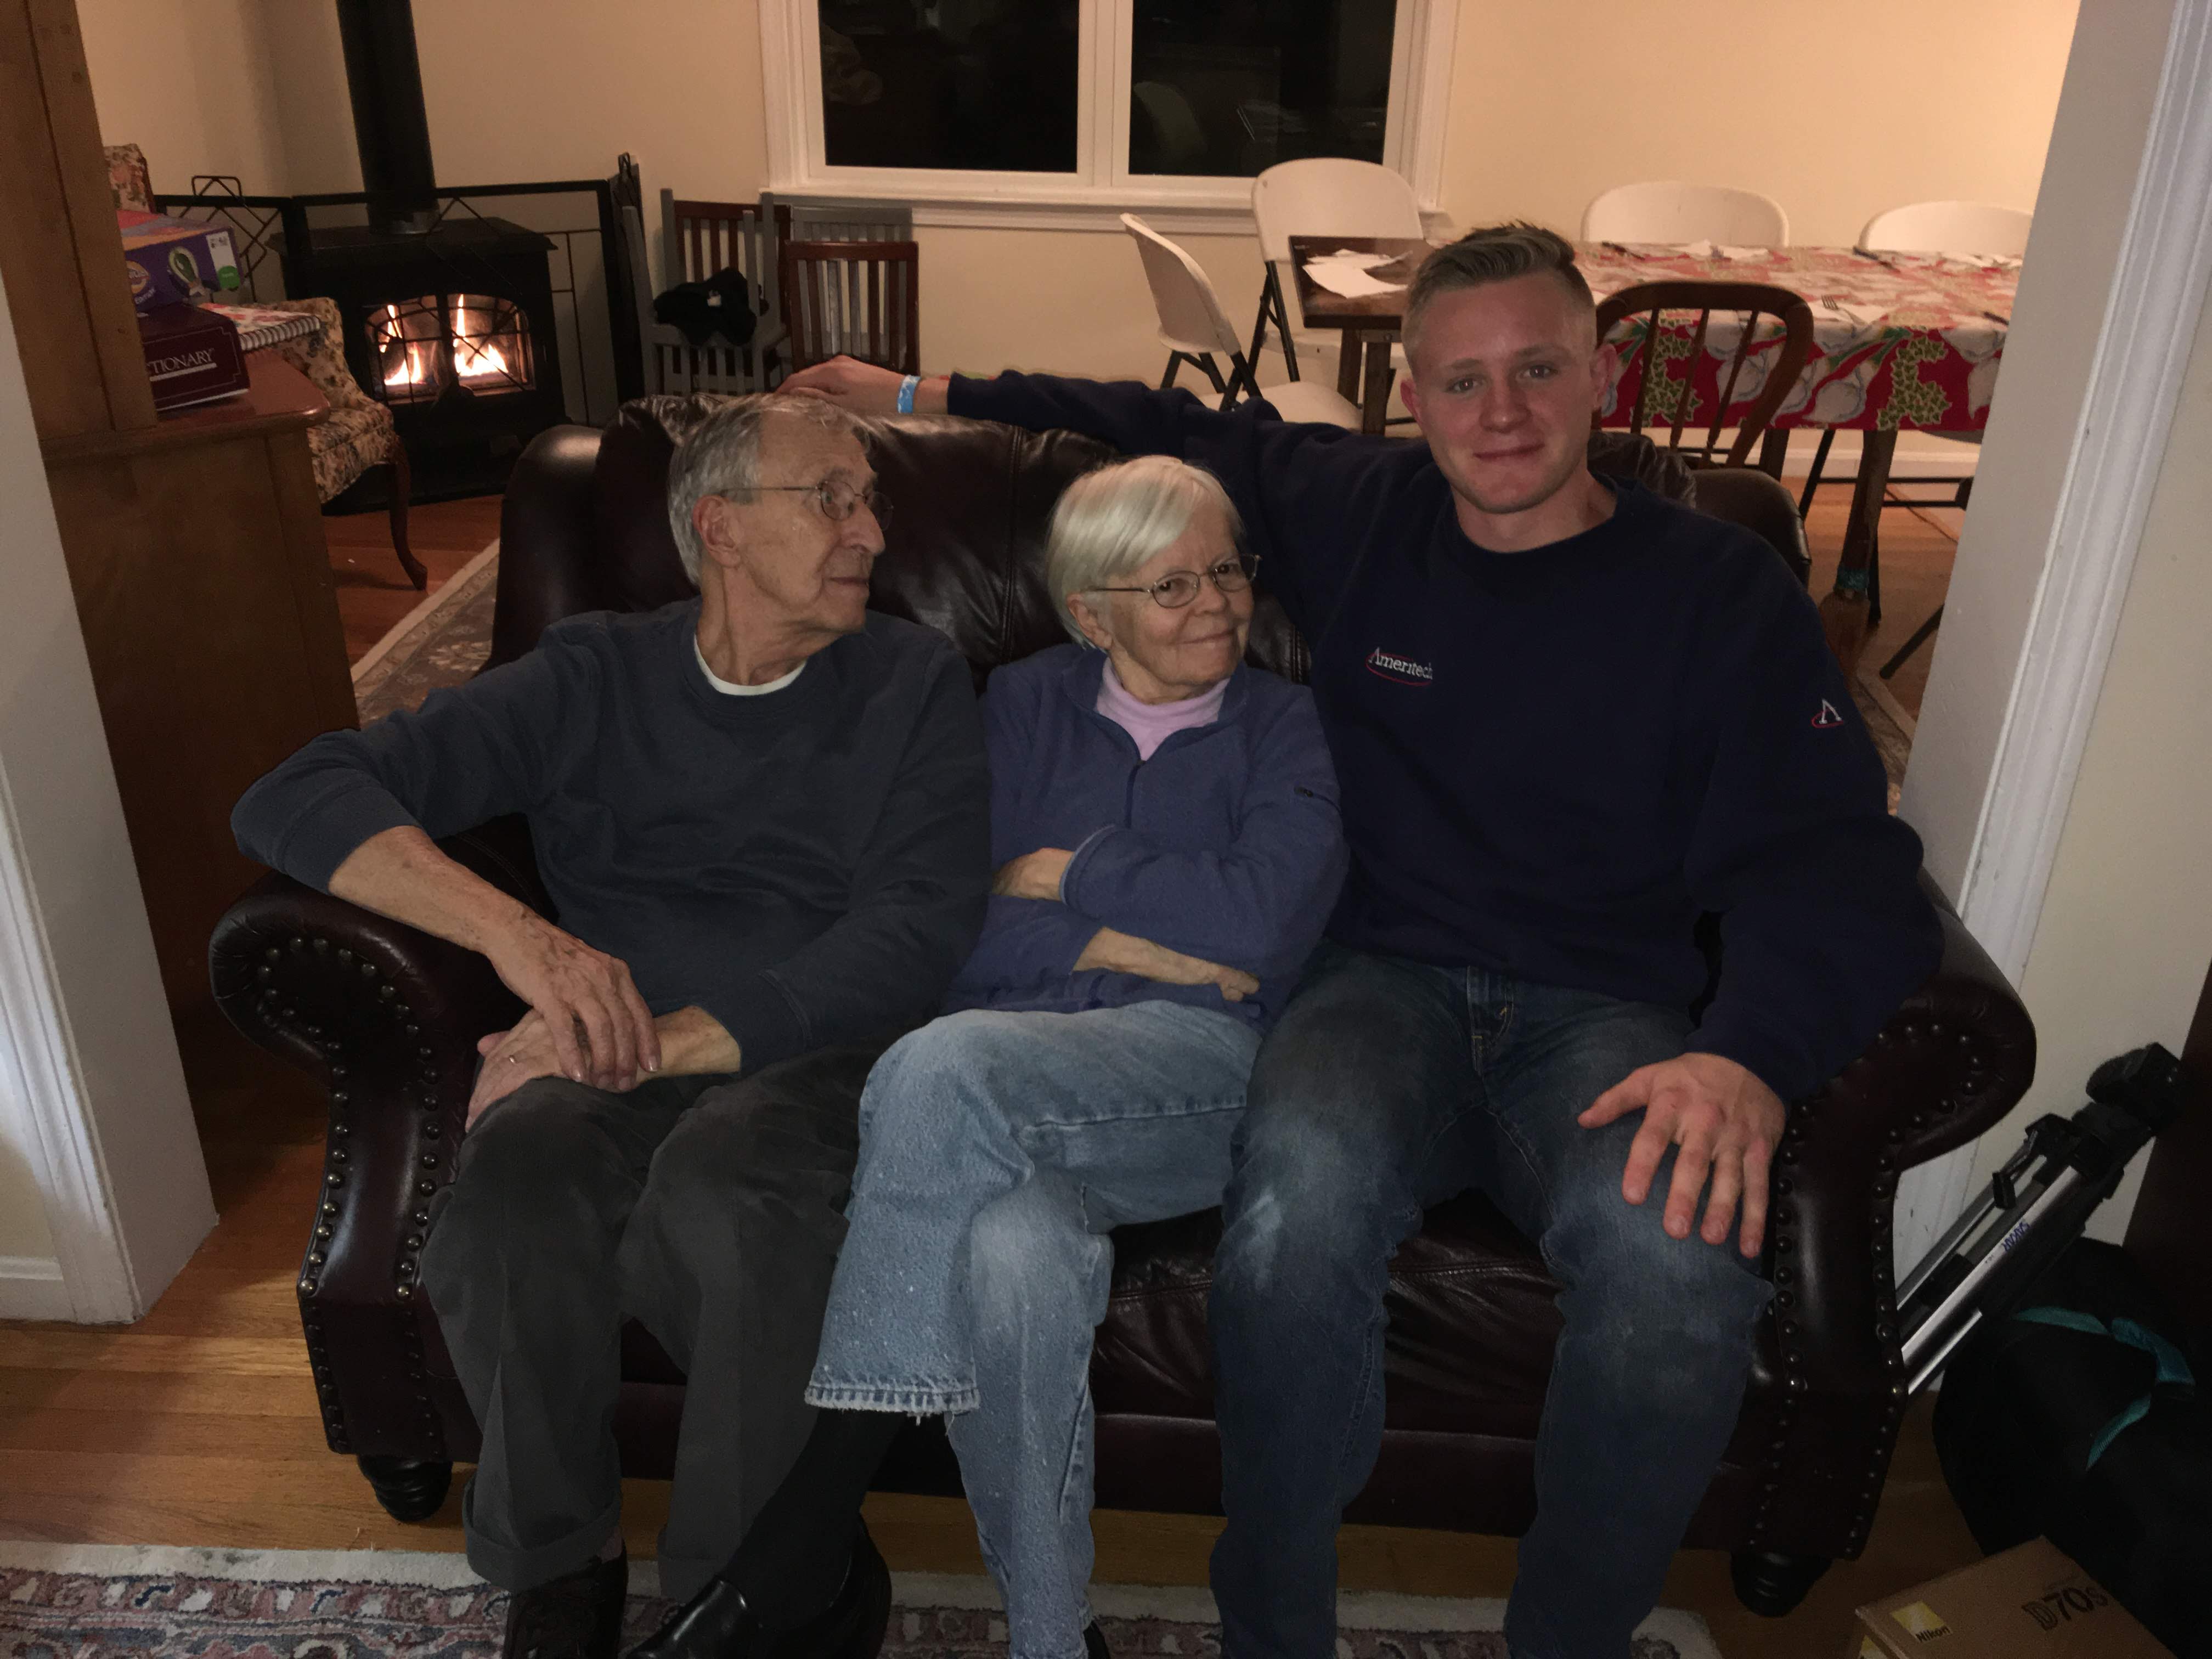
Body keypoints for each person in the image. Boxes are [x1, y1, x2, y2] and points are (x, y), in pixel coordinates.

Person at [776, 224, 1943, 1659]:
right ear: (1413, 397)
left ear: (1599, 375)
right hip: (1372, 986)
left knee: (1679, 1272)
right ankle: (1275, 1627)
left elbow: (1838, 858)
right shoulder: (1362, 508)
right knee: (1289, 1226)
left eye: (1537, 370)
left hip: (1609, 1012)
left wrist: (1750, 1057)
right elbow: (1160, 422)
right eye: (1460, 382)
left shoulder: (1721, 591)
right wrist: (912, 392)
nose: (1500, 412)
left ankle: (1568, 1641)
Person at [230, 395, 991, 1659]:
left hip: (825, 1055)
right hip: (610, 1047)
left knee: (726, 1194)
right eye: (832, 498)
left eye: (872, 501)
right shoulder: (591, 675)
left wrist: (669, 1035)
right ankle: (560, 1565)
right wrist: (522, 943)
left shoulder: (913, 681)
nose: (870, 531)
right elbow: (294, 793)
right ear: (720, 528)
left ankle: (750, 1591)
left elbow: (920, 929)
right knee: (509, 1190)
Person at [629, 456, 1347, 1659]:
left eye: (1228, 570)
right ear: (1091, 614)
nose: (1220, 605)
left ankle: (805, 1527)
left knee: (935, 1066)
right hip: (1016, 1070)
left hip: (1196, 1077)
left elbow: (1267, 925)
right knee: (1015, 1254)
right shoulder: (1019, 705)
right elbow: (955, 924)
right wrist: (1144, 942)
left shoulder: (1289, 726)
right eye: (1173, 586)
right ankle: (1053, 1637)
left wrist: (1072, 872)